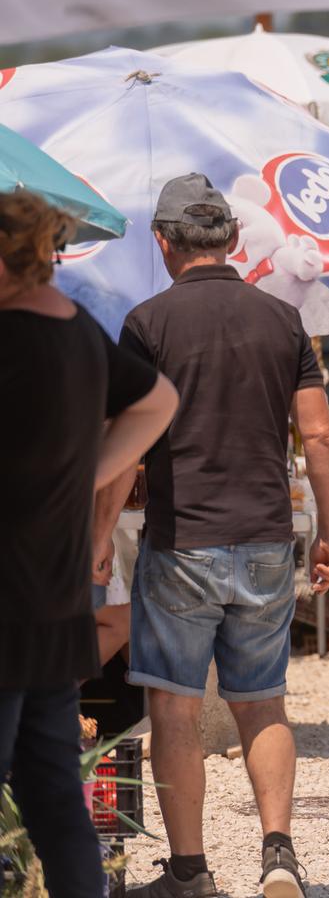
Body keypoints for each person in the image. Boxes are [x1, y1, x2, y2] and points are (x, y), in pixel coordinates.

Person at [117, 174, 329, 898]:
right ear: (235, 241)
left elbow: (126, 440)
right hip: (266, 536)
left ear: (163, 243)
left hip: (182, 538)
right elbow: (319, 436)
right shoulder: (284, 321)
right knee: (262, 702)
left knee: (175, 707)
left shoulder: (146, 323)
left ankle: (189, 872)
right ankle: (278, 856)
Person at [0, 190, 176, 898]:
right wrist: (88, 472)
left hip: (8, 592)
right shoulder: (74, 327)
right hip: (55, 587)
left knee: (47, 789)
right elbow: (159, 400)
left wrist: (86, 471)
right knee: (52, 795)